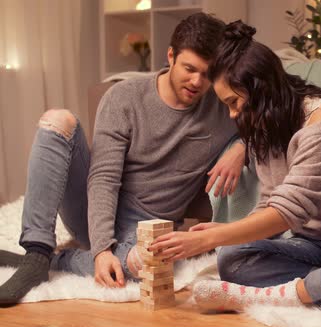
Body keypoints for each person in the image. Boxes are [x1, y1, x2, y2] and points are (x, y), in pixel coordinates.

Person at [147, 20, 321, 312]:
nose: (232, 114)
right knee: (232, 258)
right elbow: (269, 202)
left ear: (261, 90)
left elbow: (289, 211)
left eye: (235, 102)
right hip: (314, 246)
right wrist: (232, 232)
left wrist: (212, 237)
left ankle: (285, 297)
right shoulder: (265, 129)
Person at [0, 13, 245, 306]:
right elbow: (103, 176)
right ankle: (37, 255)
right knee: (57, 121)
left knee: (143, 266)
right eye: (189, 68)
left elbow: (276, 123)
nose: (197, 81)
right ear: (170, 56)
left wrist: (241, 146)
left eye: (207, 74)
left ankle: (59, 261)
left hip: (147, 228)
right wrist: (102, 249)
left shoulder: (222, 108)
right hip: (92, 211)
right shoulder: (124, 98)